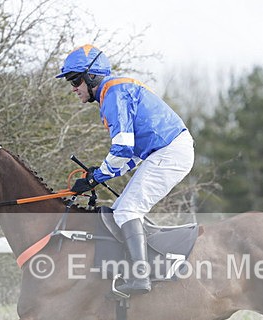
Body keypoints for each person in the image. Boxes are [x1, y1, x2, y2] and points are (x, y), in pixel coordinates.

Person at [57, 44, 194, 295]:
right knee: (120, 211)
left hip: (170, 151)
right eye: (70, 82)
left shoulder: (113, 93)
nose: (73, 88)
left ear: (92, 76)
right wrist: (98, 174)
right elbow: (131, 155)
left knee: (128, 210)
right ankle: (133, 269)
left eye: (75, 80)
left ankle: (141, 278)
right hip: (164, 152)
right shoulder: (114, 92)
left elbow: (121, 148)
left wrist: (97, 177)